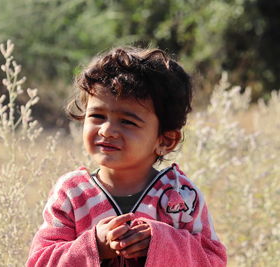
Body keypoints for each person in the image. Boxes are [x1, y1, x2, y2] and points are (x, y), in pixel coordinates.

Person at [27, 47, 227, 266]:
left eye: (127, 121)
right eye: (97, 116)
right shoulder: (72, 193)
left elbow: (212, 260)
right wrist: (95, 245)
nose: (106, 130)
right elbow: (40, 261)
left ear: (165, 141)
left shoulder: (181, 197)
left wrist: (160, 242)